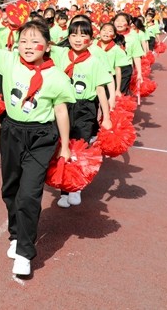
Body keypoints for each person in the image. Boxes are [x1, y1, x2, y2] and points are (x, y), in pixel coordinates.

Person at [0, 18, 74, 277]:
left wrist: (66, 146)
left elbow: (61, 110)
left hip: (41, 137)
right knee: (11, 189)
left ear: (47, 46)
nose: (28, 46)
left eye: (35, 41)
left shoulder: (57, 76)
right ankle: (16, 234)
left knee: (29, 194)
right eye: (23, 41)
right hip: (12, 132)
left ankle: (25, 252)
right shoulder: (9, 60)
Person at [50, 15, 112, 208]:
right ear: (67, 37)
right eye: (74, 35)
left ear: (91, 41)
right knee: (63, 145)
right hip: (62, 107)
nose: (78, 39)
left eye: (83, 35)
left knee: (79, 148)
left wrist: (107, 116)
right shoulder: (59, 55)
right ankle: (64, 189)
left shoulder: (95, 62)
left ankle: (76, 187)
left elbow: (101, 90)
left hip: (85, 108)